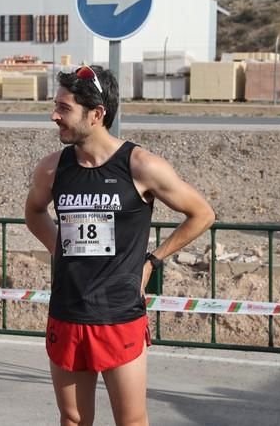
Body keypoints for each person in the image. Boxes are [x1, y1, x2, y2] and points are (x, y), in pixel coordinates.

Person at [25, 65, 215, 426]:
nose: (54, 116)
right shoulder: (52, 168)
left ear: (96, 114)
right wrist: (59, 247)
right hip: (67, 313)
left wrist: (152, 262)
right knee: (73, 419)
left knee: (130, 420)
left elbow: (202, 214)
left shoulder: (141, 166)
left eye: (64, 109)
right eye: (55, 106)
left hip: (119, 315)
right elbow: (34, 212)